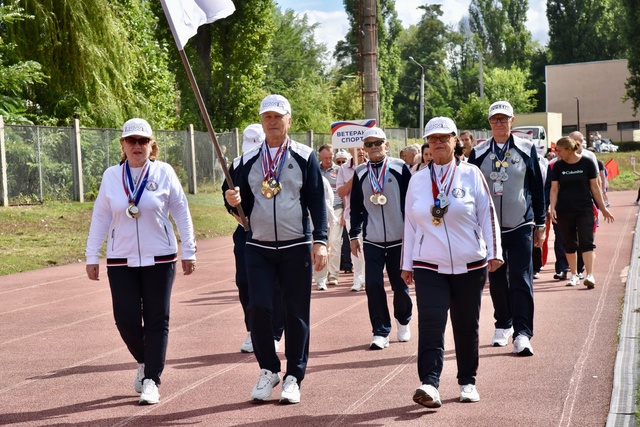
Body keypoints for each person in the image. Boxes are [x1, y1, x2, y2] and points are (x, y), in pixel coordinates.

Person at [85, 118, 197, 405]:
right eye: (131, 141)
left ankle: (151, 379)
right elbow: (101, 216)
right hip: (120, 258)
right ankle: (145, 361)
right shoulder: (111, 176)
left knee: (157, 319)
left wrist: (189, 250)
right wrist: (91, 254)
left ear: (151, 145)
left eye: (143, 141)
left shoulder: (164, 172)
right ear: (122, 144)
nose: (137, 146)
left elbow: (181, 211)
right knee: (125, 319)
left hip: (160, 256)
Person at [224, 94, 327, 404]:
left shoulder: (305, 156)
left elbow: (316, 202)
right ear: (261, 121)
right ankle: (269, 369)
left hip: (297, 245)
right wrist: (232, 203)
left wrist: (320, 241)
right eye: (267, 117)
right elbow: (232, 202)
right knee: (258, 308)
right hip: (258, 246)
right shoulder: (244, 162)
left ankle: (294, 376)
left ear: (289, 121)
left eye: (278, 116)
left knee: (296, 313)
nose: (272, 121)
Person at [402, 117, 502, 408]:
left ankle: (467, 381)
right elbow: (410, 224)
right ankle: (429, 384)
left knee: (465, 324)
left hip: (470, 263)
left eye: (444, 137)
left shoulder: (471, 174)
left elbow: (487, 214)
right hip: (428, 263)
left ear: (456, 140)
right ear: (427, 145)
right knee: (431, 323)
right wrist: (406, 263)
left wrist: (494, 251)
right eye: (433, 139)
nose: (438, 143)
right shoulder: (418, 179)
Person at [468, 101, 545, 357]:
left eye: (503, 119)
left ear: (512, 120)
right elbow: (471, 191)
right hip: (490, 227)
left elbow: (536, 187)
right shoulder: (478, 153)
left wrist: (541, 223)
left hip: (521, 223)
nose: (499, 123)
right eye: (494, 119)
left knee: (522, 278)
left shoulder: (526, 148)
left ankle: (523, 333)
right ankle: (503, 323)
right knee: (497, 278)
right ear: (489, 123)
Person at [349, 126, 413, 349]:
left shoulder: (400, 168)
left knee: (400, 286)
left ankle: (403, 321)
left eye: (377, 143)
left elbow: (411, 203)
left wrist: (413, 234)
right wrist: (354, 234)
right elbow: (356, 206)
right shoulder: (359, 172)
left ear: (386, 144)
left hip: (399, 238)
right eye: (369, 144)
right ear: (363, 148)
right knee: (373, 285)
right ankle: (380, 331)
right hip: (372, 239)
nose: (373, 147)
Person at [224, 124, 284, 353]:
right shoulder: (237, 164)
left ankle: (275, 331)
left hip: (277, 232)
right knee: (244, 282)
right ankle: (253, 330)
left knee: (276, 285)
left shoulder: (280, 162)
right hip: (247, 234)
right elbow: (226, 194)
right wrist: (234, 209)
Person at [549, 137, 614, 288]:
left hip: (584, 209)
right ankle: (574, 274)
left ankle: (590, 275)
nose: (557, 154)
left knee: (586, 241)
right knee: (569, 243)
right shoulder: (558, 166)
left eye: (559, 150)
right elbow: (554, 189)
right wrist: (552, 207)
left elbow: (595, 188)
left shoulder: (587, 163)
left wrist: (603, 208)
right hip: (564, 210)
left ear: (569, 149)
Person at [336, 146, 367, 292]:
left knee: (368, 248)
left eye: (362, 148)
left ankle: (369, 278)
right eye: (357, 148)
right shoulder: (343, 169)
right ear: (350, 148)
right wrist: (355, 175)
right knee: (355, 246)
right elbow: (341, 192)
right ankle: (357, 278)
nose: (360, 151)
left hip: (370, 214)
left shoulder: (371, 165)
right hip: (351, 214)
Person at [317, 144, 343, 288]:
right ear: (320, 157)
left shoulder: (340, 171)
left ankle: (333, 274)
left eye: (330, 157)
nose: (328, 160)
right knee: (322, 244)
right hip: (320, 212)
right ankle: (321, 275)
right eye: (325, 157)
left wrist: (346, 211)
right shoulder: (314, 170)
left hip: (337, 209)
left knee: (334, 242)